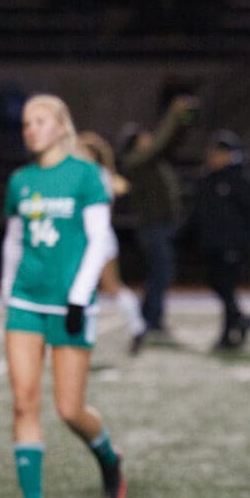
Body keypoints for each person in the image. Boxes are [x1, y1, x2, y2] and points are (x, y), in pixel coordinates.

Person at [0, 94, 126, 498]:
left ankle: (109, 460)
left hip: (70, 303)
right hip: (25, 302)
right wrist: (6, 291)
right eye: (25, 123)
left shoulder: (86, 176)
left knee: (70, 410)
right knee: (23, 403)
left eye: (39, 121)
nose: (30, 129)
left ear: (60, 126)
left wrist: (77, 297)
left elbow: (99, 241)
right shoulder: (20, 180)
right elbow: (14, 241)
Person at [116, 94, 199, 340]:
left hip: (159, 225)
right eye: (143, 138)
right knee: (161, 272)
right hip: (152, 226)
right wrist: (173, 115)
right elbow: (161, 142)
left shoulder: (147, 161)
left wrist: (182, 121)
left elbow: (168, 141)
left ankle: (149, 316)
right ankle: (152, 320)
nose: (149, 139)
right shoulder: (136, 161)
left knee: (159, 272)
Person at [188, 129, 250, 349]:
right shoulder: (209, 178)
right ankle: (239, 322)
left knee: (226, 286)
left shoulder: (241, 179)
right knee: (218, 284)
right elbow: (198, 212)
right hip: (213, 243)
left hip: (233, 244)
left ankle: (229, 332)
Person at [76, 130, 147, 353]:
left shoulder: (94, 175)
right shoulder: (99, 174)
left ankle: (137, 326)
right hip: (93, 237)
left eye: (81, 151)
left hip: (93, 239)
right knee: (93, 288)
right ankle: (136, 326)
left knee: (106, 286)